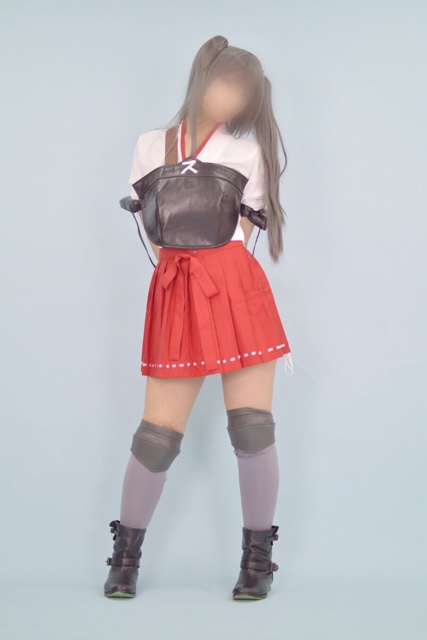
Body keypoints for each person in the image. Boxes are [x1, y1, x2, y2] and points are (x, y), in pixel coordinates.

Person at [104, 34, 293, 601]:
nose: (232, 99)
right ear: (202, 76)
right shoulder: (149, 145)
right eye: (227, 84)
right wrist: (183, 277)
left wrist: (212, 274)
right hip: (177, 291)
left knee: (252, 428)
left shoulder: (247, 152)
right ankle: (124, 561)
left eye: (244, 93)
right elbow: (153, 234)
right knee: (155, 438)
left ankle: (257, 564)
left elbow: (244, 237)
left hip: (235, 288)